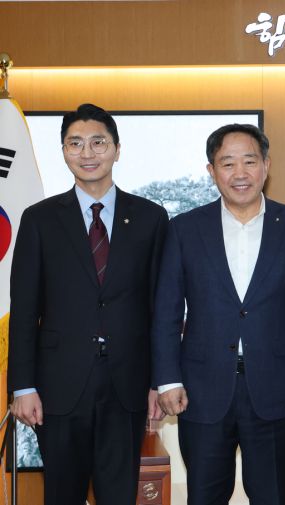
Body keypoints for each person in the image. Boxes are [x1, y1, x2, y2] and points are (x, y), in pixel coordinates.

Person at [152, 123, 285, 505]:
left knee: (272, 496)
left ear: (266, 165)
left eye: (249, 161)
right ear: (211, 170)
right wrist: (167, 380)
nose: (240, 173)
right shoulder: (184, 229)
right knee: (204, 496)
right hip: (201, 390)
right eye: (227, 163)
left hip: (277, 389)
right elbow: (166, 312)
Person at [8, 103, 168, 505]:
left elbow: (160, 307)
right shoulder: (40, 219)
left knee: (119, 495)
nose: (87, 153)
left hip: (127, 385)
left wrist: (159, 381)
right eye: (75, 143)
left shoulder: (150, 218)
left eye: (98, 142)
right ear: (64, 151)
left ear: (117, 149)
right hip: (59, 387)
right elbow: (24, 309)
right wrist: (23, 385)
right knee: (62, 495)